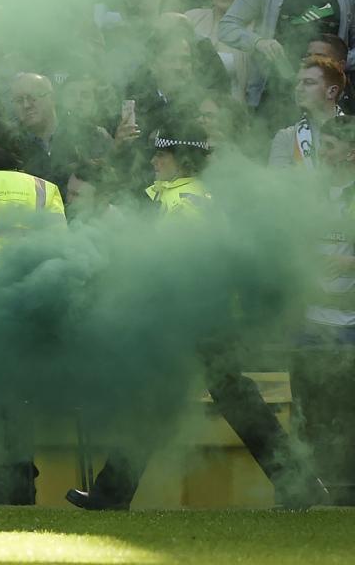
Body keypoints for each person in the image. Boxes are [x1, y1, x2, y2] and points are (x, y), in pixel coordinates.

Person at [70, 124, 327, 509]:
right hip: (198, 315)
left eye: (163, 153)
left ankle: (114, 493)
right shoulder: (172, 194)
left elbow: (174, 261)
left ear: (183, 159)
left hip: (192, 316)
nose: (154, 159)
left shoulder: (187, 199)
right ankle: (299, 484)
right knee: (224, 399)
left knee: (186, 399)